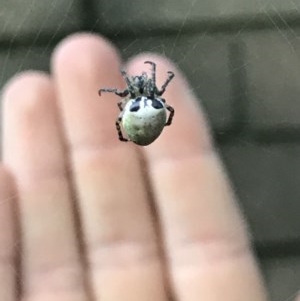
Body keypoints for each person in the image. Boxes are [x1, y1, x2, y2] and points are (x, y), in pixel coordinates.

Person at [0, 33, 297, 301]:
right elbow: (156, 101)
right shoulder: (150, 99)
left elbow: (131, 100)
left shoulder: (133, 100)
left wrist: (119, 99)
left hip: (142, 116)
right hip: (147, 115)